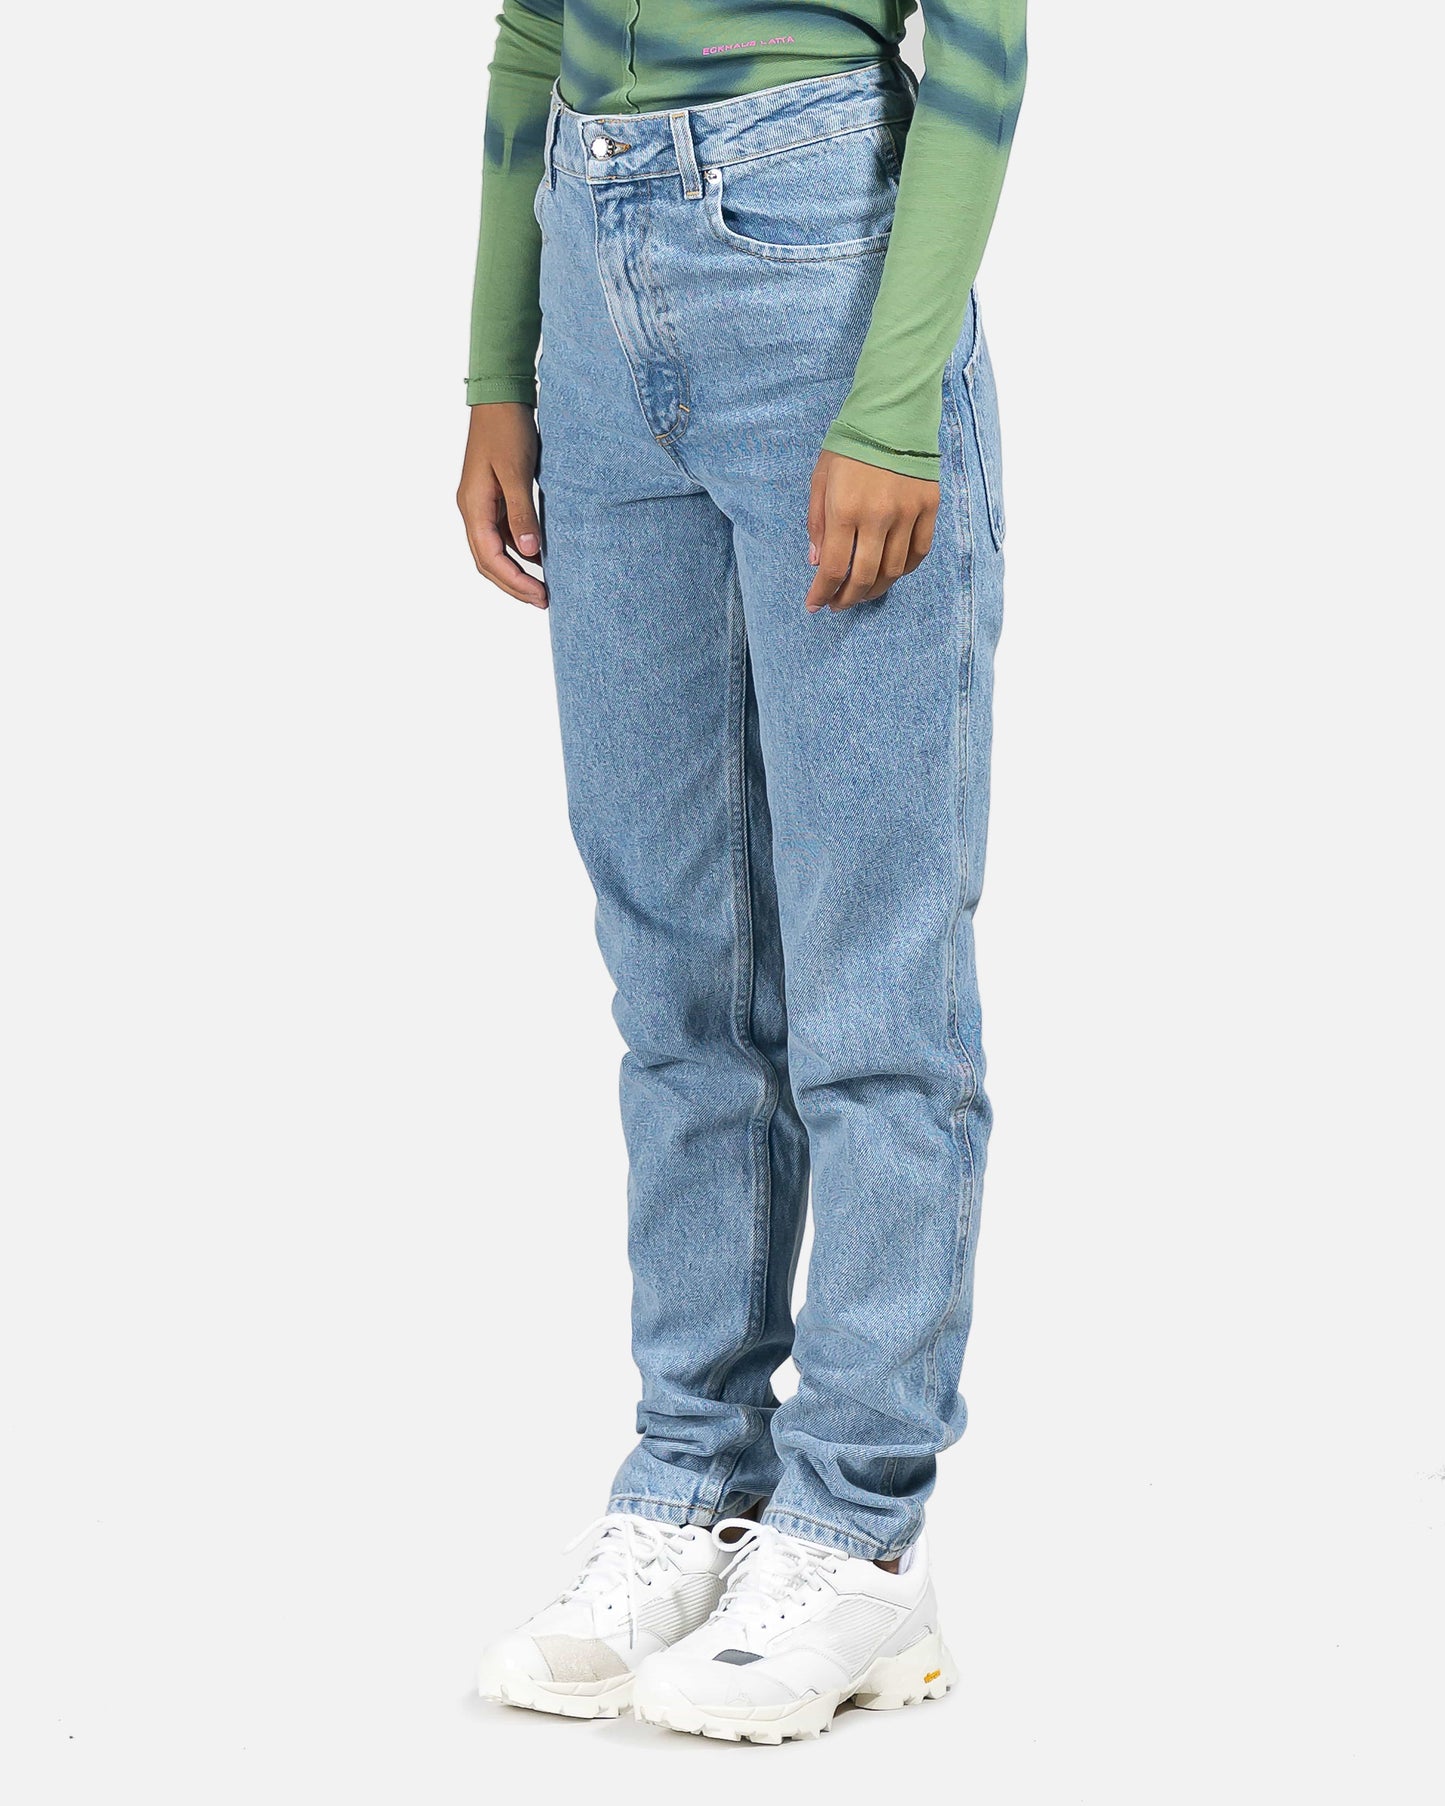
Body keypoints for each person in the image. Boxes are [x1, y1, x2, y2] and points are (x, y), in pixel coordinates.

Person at [459, 0, 1026, 1745]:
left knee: (872, 976)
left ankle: (856, 1529)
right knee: (676, 970)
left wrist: (895, 401)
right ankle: (693, 1476)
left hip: (818, 268)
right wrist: (496, 368)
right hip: (589, 273)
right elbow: (531, 28)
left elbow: (982, 53)